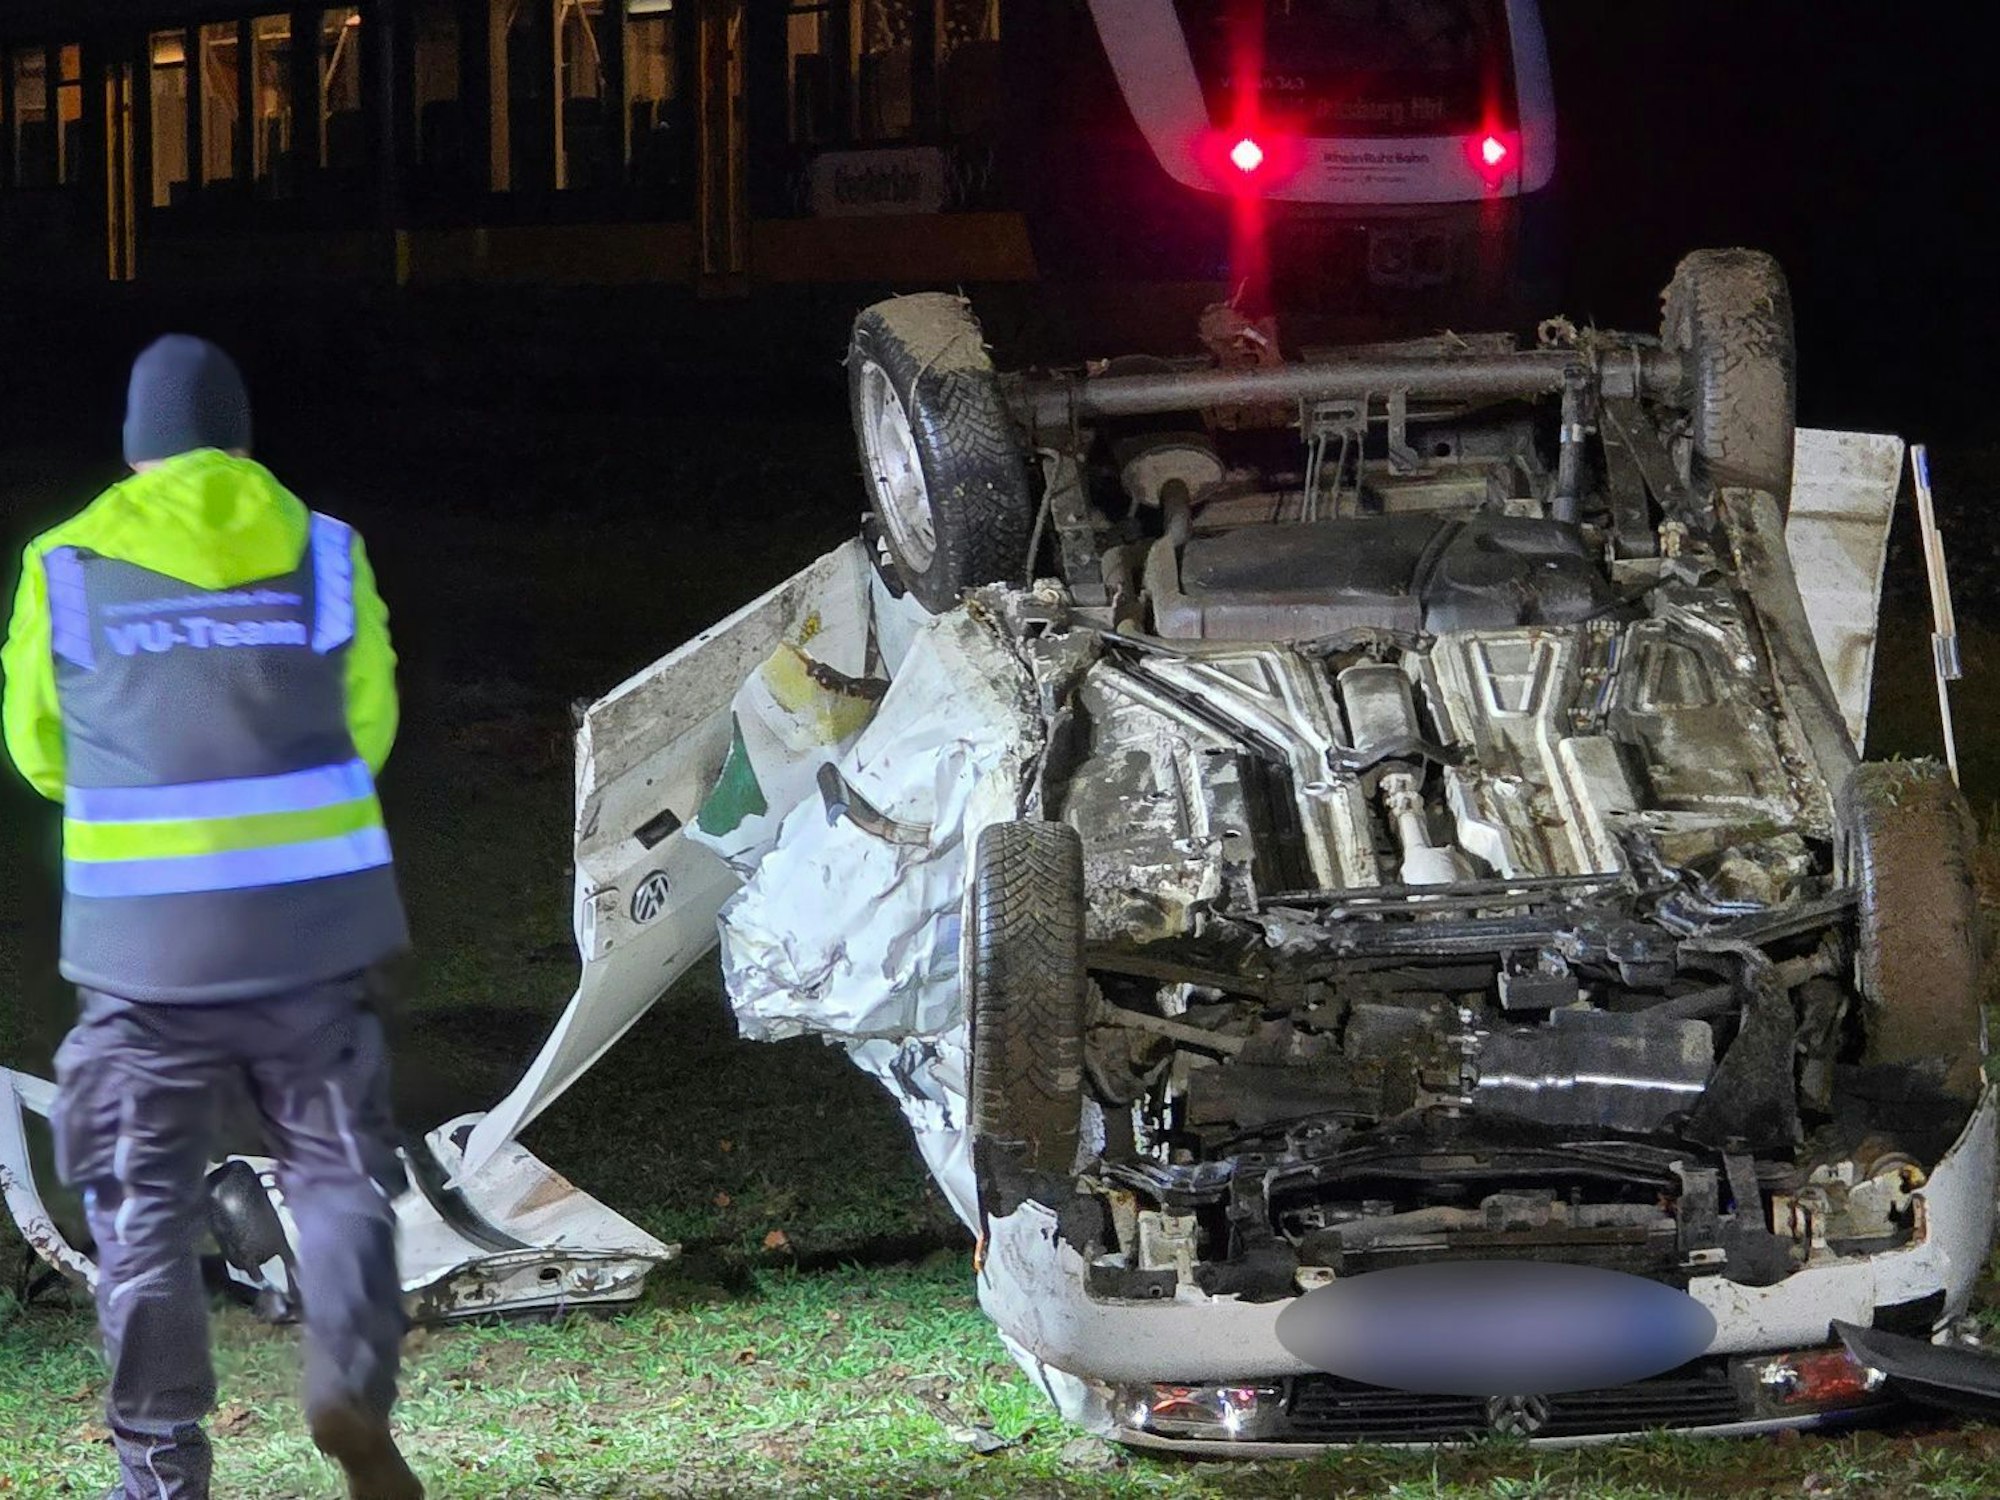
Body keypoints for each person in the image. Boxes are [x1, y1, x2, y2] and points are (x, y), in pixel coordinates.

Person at [0, 336, 422, 1500]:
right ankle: (347, 1384)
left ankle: (163, 1468)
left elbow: (37, 750)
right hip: (314, 942)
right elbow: (369, 730)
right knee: (336, 1174)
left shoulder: (65, 566)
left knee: (138, 1211)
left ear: (135, 450)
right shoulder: (328, 554)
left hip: (140, 959)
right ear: (240, 437)